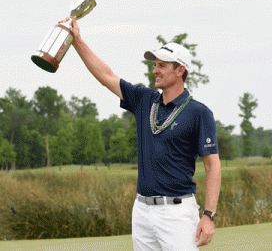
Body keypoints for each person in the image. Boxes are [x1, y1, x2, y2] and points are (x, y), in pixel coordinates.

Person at [59, 16, 221, 250]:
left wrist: (208, 215)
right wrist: (77, 41)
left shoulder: (199, 113)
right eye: (154, 64)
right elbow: (107, 76)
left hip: (177, 213)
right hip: (142, 211)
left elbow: (212, 166)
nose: (155, 70)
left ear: (180, 70)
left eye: (162, 65)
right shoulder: (145, 100)